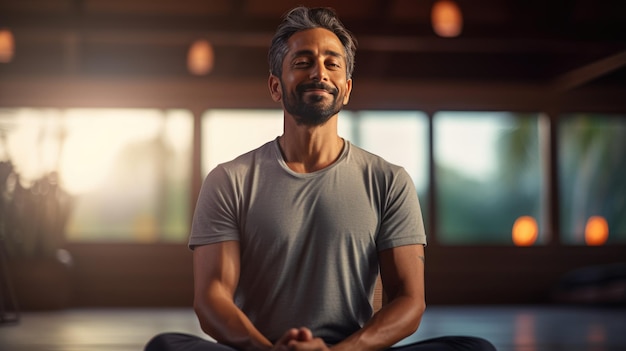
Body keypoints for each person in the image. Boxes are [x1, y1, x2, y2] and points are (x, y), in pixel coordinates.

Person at [146, 6, 496, 351]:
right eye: (303, 63)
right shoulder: (229, 180)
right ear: (275, 86)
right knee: (166, 345)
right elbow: (212, 298)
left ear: (346, 88)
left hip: (351, 350)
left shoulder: (389, 181)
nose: (319, 73)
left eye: (332, 63)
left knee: (473, 347)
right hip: (261, 349)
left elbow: (409, 301)